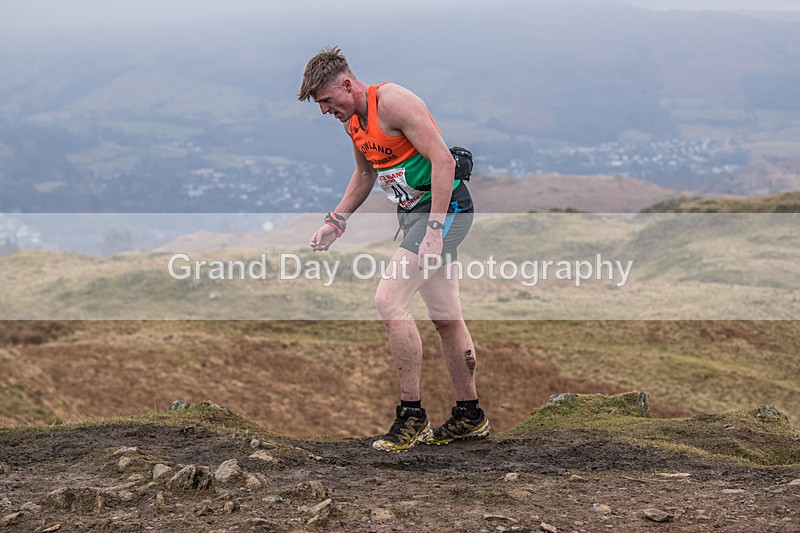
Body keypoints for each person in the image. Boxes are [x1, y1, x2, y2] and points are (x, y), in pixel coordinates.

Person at [298, 46, 489, 452]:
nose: (324, 111)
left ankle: (412, 415)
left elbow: (444, 161)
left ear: (347, 85)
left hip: (445, 209)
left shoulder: (395, 103)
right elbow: (365, 173)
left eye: (327, 101)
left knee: (388, 301)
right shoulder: (352, 121)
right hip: (416, 216)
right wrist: (337, 220)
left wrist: (436, 228)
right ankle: (470, 415)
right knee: (446, 317)